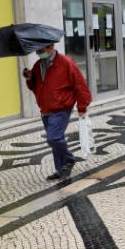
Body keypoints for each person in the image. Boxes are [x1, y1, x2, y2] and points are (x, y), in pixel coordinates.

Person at [23, 44, 91, 181]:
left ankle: (69, 160)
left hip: (61, 108)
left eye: (41, 50)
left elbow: (79, 84)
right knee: (55, 141)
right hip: (46, 109)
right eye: (37, 51)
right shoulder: (38, 65)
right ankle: (61, 170)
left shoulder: (66, 63)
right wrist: (29, 77)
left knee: (53, 138)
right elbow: (35, 87)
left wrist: (82, 107)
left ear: (51, 47)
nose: (38, 53)